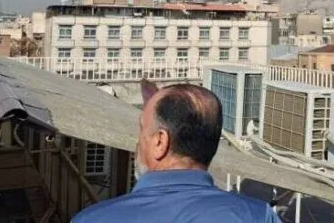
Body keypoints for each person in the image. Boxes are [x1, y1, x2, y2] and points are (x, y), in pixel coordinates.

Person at [72, 83, 280, 223]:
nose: (138, 142)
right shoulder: (259, 217)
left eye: (142, 129)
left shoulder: (92, 219)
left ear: (160, 142)